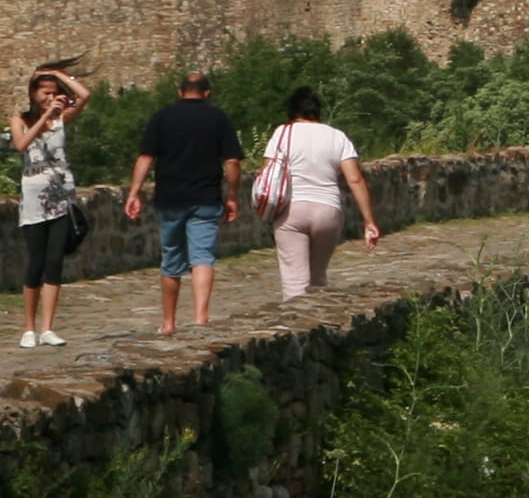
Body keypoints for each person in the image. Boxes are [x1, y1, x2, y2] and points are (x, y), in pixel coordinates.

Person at [123, 67, 243, 335]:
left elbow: (145, 157)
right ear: (207, 93)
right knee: (202, 257)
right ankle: (200, 318)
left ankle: (168, 322)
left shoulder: (162, 117)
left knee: (171, 259)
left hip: (170, 198)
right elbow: (232, 162)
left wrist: (134, 193)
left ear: (180, 92)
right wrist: (233, 197)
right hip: (206, 197)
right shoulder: (218, 118)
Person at [259, 87, 382, 299]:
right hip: (328, 210)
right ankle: (320, 316)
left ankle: (295, 318)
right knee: (318, 278)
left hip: (291, 211)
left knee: (294, 282)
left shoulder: (282, 133)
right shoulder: (337, 136)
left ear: (292, 110)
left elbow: (267, 172)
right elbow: (355, 180)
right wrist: (369, 221)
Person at [12, 63, 94, 348]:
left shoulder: (62, 118)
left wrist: (59, 75)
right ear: (33, 94)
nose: (50, 97)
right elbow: (22, 144)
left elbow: (85, 95)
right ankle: (28, 328)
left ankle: (48, 327)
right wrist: (46, 115)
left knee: (54, 261)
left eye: (53, 93)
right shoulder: (20, 119)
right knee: (36, 262)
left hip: (61, 198)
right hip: (34, 200)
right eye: (44, 92)